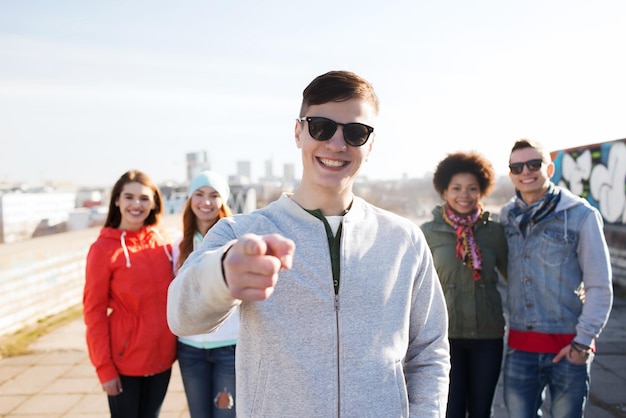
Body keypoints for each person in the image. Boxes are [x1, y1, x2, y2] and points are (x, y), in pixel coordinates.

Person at [167, 70, 450, 417]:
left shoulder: (404, 240)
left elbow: (429, 350)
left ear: (371, 145)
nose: (336, 144)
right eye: (321, 127)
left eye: (355, 132)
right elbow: (181, 317)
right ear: (298, 132)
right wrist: (222, 275)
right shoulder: (242, 232)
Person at [501, 139, 613, 418]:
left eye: (534, 164)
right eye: (517, 166)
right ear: (511, 174)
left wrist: (583, 342)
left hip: (568, 347)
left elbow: (599, 285)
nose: (526, 171)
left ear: (549, 168)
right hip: (519, 348)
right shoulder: (507, 216)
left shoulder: (580, 215)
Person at [83, 170, 177, 418]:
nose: (137, 204)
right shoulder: (103, 249)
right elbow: (94, 312)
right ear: (117, 200)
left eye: (144, 198)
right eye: (129, 197)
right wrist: (104, 369)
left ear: (155, 202)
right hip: (125, 363)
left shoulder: (163, 241)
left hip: (162, 360)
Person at [421, 151, 507, 418]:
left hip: (488, 336)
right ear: (444, 190)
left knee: (482, 411)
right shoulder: (427, 232)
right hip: (444, 337)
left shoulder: (495, 231)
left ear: (482, 191)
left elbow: (516, 274)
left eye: (472, 188)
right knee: (451, 411)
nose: (464, 195)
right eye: (456, 188)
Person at [172, 170, 238, 417]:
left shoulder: (235, 240)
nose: (206, 202)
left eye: (214, 195)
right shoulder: (178, 246)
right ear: (190, 199)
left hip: (229, 348)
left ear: (223, 201)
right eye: (199, 194)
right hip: (189, 349)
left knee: (226, 414)